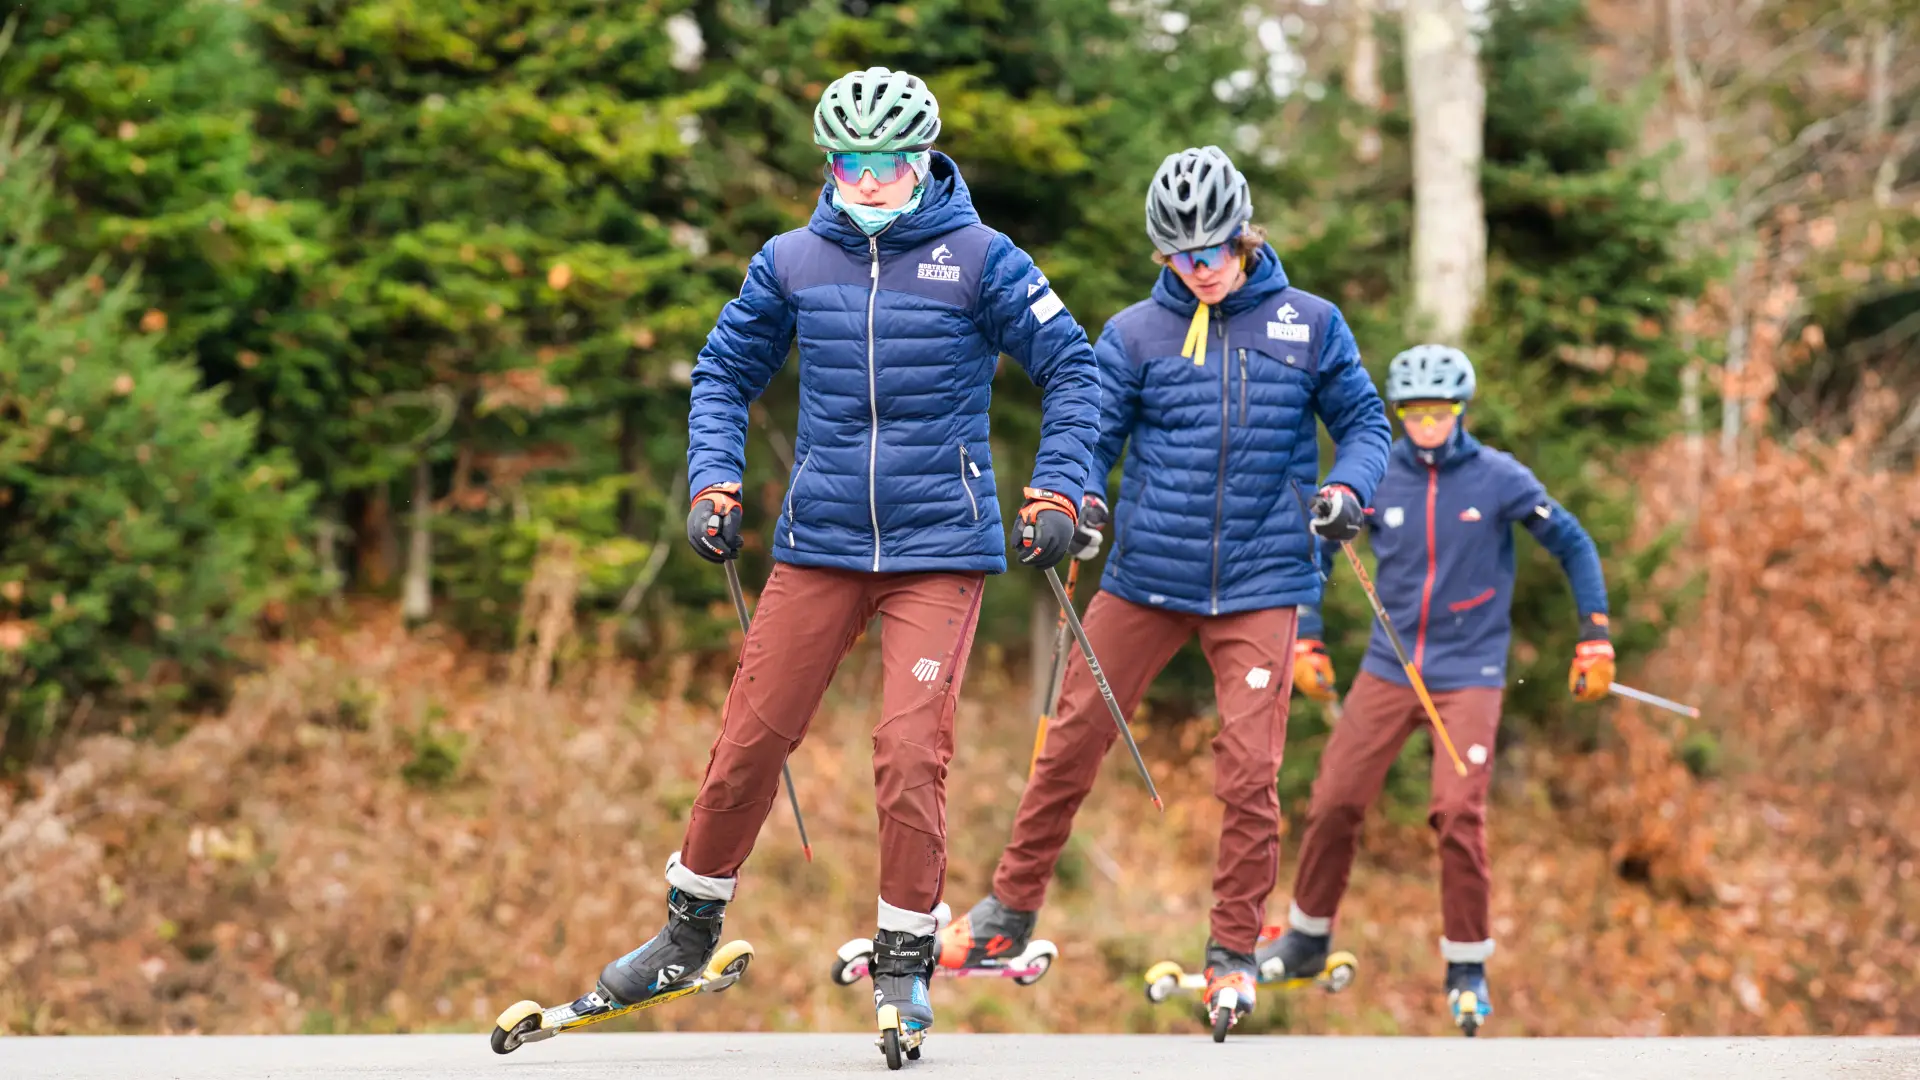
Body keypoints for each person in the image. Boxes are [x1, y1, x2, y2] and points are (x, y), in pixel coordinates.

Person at [585, 66, 1101, 1061]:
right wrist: (713, 481)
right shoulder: (790, 260)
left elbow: (1072, 366)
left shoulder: (983, 258)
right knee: (749, 740)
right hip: (820, 542)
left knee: (909, 755)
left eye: (892, 162)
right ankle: (687, 933)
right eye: (853, 162)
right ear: (830, 163)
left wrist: (1060, 491)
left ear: (924, 161)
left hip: (938, 549)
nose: (871, 180)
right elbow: (724, 370)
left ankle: (905, 956)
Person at [935, 145, 1392, 1036]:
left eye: (1216, 249)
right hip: (1146, 577)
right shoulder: (1134, 335)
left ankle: (1229, 953)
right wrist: (1081, 502)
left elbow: (1365, 425)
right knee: (1068, 743)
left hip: (1264, 582)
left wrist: (1350, 491)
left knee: (1250, 772)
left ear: (1246, 236)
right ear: (1162, 256)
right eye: (1184, 256)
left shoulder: (1310, 323)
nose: (1203, 268)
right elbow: (1092, 436)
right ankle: (1008, 914)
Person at [1266, 344, 1616, 1035]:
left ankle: (1466, 963)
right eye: (1416, 411)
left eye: (1441, 410)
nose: (1428, 421)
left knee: (1457, 812)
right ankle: (1307, 937)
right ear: (1400, 414)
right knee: (1334, 799)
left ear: (1460, 411)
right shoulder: (1378, 477)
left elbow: (1572, 544)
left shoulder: (1497, 477)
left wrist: (1595, 635)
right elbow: (1319, 549)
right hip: (1390, 667)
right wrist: (1306, 635)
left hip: (1470, 673)